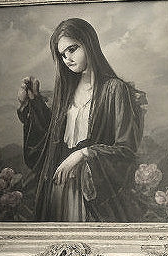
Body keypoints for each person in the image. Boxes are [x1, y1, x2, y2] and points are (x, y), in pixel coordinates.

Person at [16, 17, 148, 222]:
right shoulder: (65, 92)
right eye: (62, 55)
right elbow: (47, 143)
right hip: (58, 188)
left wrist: (83, 154)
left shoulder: (114, 89)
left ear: (89, 43)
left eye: (72, 49)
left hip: (92, 189)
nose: (67, 58)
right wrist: (33, 105)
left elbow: (126, 149)